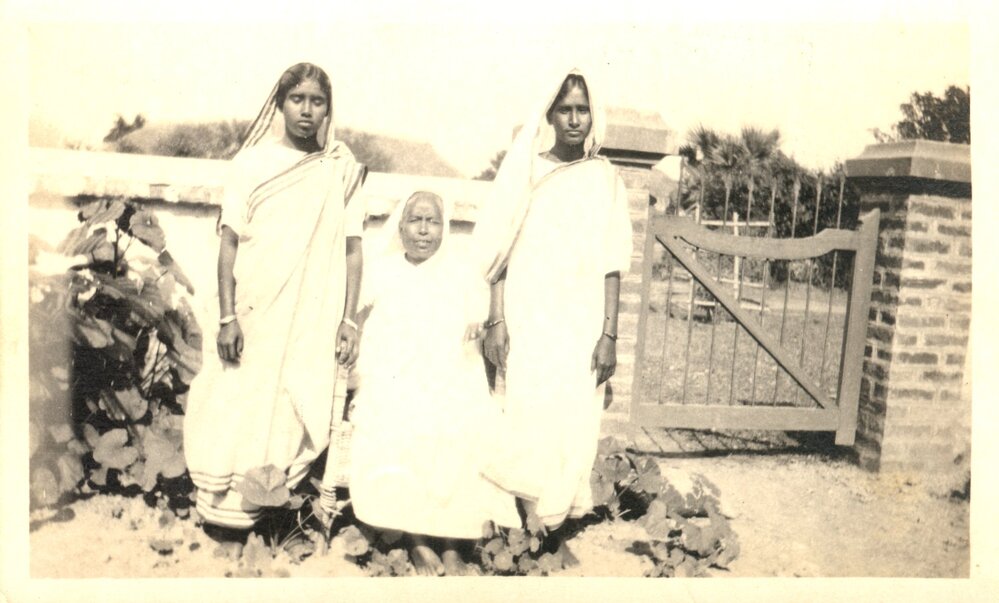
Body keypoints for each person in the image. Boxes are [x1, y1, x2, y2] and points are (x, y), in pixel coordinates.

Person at [183, 63, 366, 553]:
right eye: (297, 100)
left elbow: (352, 247)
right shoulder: (252, 163)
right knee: (237, 401)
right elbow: (228, 244)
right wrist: (227, 316)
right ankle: (225, 519)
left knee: (288, 407)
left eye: (318, 101)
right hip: (253, 309)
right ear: (281, 104)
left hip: (309, 317)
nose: (307, 111)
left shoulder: (340, 170)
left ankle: (268, 512)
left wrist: (348, 319)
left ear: (330, 107)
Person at [475, 67, 633, 532]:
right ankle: (526, 513)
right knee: (527, 405)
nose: (574, 119)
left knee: (572, 412)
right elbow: (499, 252)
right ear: (549, 114)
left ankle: (553, 509)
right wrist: (497, 319)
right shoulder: (528, 169)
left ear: (593, 114)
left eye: (582, 109)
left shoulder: (606, 179)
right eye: (564, 109)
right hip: (529, 311)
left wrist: (608, 334)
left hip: (580, 318)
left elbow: (612, 262)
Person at [348, 191, 519, 576]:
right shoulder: (384, 269)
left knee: (458, 433)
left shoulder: (460, 271)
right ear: (401, 225)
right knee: (401, 432)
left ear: (444, 227)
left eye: (433, 221)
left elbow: (479, 315)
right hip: (397, 379)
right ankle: (418, 541)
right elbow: (357, 317)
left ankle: (453, 544)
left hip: (450, 378)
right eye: (415, 220)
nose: (423, 231)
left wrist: (477, 319)